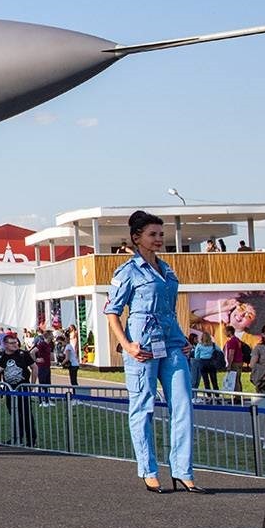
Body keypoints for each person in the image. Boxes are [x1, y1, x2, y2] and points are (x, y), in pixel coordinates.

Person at [104, 210, 200, 493]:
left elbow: (169, 310)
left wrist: (183, 338)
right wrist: (127, 344)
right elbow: (112, 311)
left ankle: (182, 471)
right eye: (153, 235)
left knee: (183, 404)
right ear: (137, 238)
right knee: (143, 407)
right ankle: (148, 469)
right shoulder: (127, 272)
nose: (159, 239)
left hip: (172, 344)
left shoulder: (168, 269)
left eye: (161, 234)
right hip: (141, 347)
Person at [0, 332, 36, 447]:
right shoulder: (0, 356)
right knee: (14, 414)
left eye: (16, 342)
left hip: (23, 389)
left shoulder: (23, 354)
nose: (15, 345)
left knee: (26, 414)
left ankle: (31, 439)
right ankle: (17, 437)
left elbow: (34, 367)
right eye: (12, 343)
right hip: (10, 390)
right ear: (5, 344)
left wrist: (32, 384)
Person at [221, 325, 246, 393]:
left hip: (235, 362)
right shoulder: (237, 340)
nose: (224, 333)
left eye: (225, 331)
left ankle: (237, 397)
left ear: (229, 332)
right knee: (238, 379)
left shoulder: (232, 341)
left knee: (235, 380)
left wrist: (229, 365)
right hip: (240, 361)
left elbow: (231, 354)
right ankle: (239, 395)